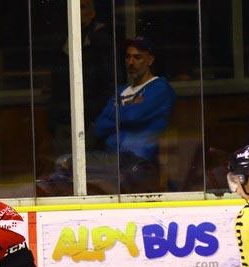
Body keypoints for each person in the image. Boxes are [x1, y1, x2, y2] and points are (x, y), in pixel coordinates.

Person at [92, 36, 176, 193]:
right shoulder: (121, 90)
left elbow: (133, 117)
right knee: (65, 163)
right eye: (128, 57)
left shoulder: (160, 88)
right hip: (112, 160)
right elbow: (99, 127)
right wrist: (130, 108)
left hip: (140, 164)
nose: (131, 62)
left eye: (138, 57)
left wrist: (116, 112)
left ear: (150, 60)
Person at [49, 0, 114, 157]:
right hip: (64, 120)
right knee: (63, 166)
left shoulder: (100, 40)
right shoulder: (64, 40)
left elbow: (109, 82)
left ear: (92, 14)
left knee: (87, 166)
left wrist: (95, 120)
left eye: (82, 7)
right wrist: (53, 120)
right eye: (74, 7)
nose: (77, 11)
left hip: (89, 121)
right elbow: (57, 83)